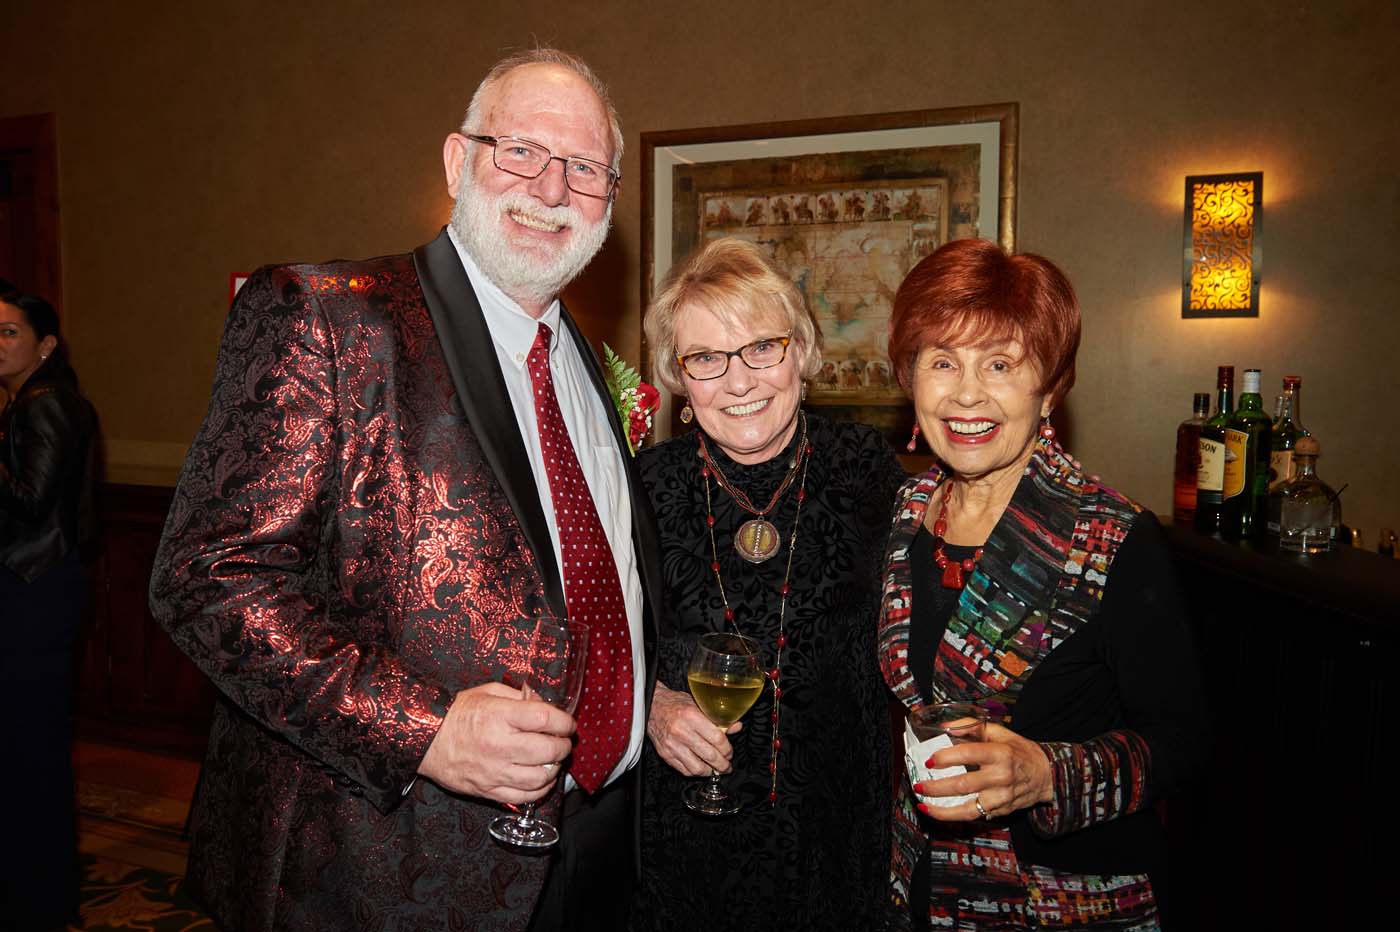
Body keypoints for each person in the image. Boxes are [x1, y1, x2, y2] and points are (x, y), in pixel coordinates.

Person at [148, 49, 660, 932]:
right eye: (521, 151)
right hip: (377, 868)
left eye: (585, 168)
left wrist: (656, 700)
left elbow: (600, 582)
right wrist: (423, 730)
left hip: (599, 847)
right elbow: (205, 579)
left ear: (610, 199)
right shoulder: (329, 317)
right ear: (458, 162)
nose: (552, 188)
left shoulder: (582, 363)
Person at [879, 237, 1207, 929]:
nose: (967, 393)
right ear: (911, 379)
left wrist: (1047, 775)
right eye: (943, 361)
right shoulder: (908, 512)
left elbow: (1185, 743)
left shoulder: (1110, 536)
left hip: (1061, 902)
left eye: (1000, 364)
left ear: (1050, 387)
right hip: (920, 885)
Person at [631, 238, 903, 931]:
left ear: (802, 352)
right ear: (679, 379)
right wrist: (652, 706)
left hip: (836, 838)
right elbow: (588, 643)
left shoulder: (869, 471)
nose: (739, 381)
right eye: (706, 358)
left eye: (761, 348)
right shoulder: (641, 489)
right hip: (687, 845)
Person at [0, 280, 97, 930]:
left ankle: (38, 896)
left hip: (34, 593)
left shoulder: (49, 401)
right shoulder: (26, 401)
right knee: (20, 745)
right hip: (30, 588)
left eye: (8, 331)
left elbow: (31, 501)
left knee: (30, 744)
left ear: (46, 345)